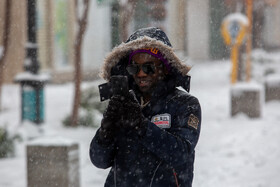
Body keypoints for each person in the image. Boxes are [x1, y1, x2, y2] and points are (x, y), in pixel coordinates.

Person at [89, 27, 201, 187]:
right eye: (135, 68)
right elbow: (99, 161)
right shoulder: (123, 102)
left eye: (149, 67)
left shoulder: (185, 104)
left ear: (164, 67)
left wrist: (142, 126)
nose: (141, 74)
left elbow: (181, 154)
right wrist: (105, 131)